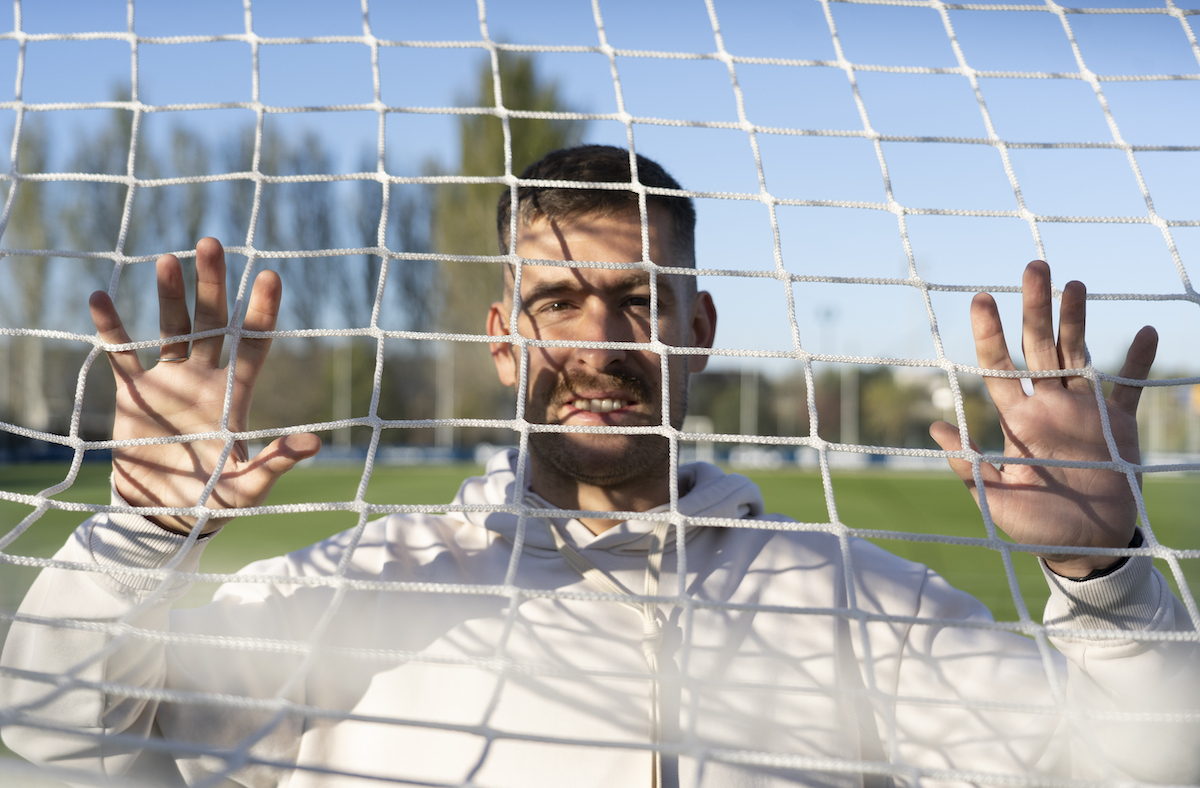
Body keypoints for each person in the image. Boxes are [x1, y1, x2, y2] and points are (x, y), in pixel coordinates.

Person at [1, 145, 1196, 788]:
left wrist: (1110, 574)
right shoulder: (365, 582)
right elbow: (52, 746)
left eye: (639, 300)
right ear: (501, 335)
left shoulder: (851, 598)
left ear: (700, 327)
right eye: (557, 300)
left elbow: (1133, 769)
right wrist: (135, 538)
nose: (599, 344)